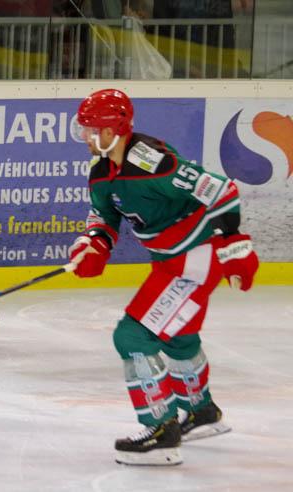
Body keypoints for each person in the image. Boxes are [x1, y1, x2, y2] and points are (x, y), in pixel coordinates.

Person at [68, 88, 259, 466]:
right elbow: (104, 217)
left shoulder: (153, 162)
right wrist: (95, 244)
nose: (85, 137)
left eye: (91, 130)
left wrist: (234, 245)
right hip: (170, 262)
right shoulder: (101, 171)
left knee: (133, 336)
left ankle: (160, 430)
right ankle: (202, 412)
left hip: (196, 258)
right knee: (178, 336)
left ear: (112, 131)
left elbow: (221, 191)